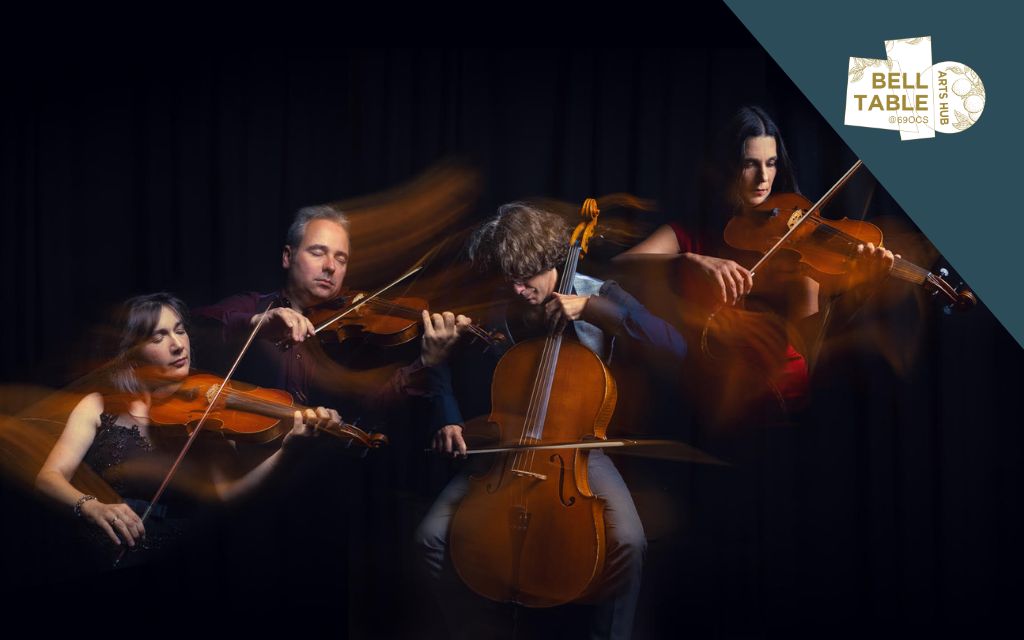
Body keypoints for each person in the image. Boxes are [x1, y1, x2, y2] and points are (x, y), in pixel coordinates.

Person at [414, 202, 687, 640]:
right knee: (429, 539)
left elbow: (674, 345)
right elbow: (438, 358)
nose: (518, 290)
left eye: (527, 278)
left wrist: (595, 308)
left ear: (551, 260)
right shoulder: (501, 306)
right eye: (509, 279)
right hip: (505, 452)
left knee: (629, 544)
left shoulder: (597, 292)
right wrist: (446, 417)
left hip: (576, 453)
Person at [616, 106, 896, 418]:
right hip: (691, 400)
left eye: (771, 163)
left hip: (772, 403)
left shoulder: (797, 245)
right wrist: (685, 261)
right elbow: (619, 267)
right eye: (751, 164)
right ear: (727, 167)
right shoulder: (689, 235)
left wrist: (858, 294)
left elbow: (808, 353)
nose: (764, 178)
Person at [34, 293, 341, 555]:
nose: (178, 344)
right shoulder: (97, 405)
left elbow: (227, 493)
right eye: (159, 337)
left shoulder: (206, 410)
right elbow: (49, 476)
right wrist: (91, 506)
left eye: (179, 331)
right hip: (102, 552)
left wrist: (289, 448)